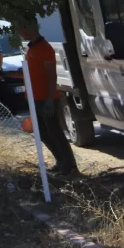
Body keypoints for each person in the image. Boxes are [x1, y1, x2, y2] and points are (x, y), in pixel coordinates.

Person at [17, 25, 78, 176]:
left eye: (23, 28)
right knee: (43, 133)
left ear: (33, 27)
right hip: (35, 98)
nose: (21, 32)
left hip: (46, 99)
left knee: (55, 132)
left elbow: (52, 76)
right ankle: (60, 161)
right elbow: (30, 73)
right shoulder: (31, 48)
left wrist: (50, 100)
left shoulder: (44, 48)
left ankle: (70, 166)